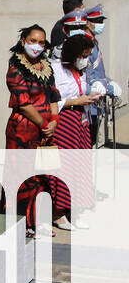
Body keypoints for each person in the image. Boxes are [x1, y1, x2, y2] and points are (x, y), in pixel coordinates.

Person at [3, 25, 60, 237]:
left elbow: (54, 96)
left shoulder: (47, 66)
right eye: (33, 40)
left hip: (45, 132)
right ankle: (22, 222)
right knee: (22, 175)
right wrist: (43, 124)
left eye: (41, 42)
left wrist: (54, 120)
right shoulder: (15, 67)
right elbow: (24, 103)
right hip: (23, 130)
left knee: (43, 175)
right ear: (24, 40)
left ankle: (40, 220)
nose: (37, 45)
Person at [51, 34, 102, 229]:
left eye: (88, 55)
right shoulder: (57, 70)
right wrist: (75, 101)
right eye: (84, 55)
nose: (86, 59)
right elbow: (52, 100)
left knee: (81, 165)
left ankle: (76, 208)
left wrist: (90, 96)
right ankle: (59, 213)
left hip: (80, 122)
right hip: (64, 122)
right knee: (65, 166)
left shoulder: (80, 72)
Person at [82, 5, 122, 144]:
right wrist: (107, 86)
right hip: (90, 100)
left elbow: (98, 70)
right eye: (96, 20)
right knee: (89, 141)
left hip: (97, 101)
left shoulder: (94, 42)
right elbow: (88, 75)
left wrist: (109, 81)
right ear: (87, 22)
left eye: (101, 20)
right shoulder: (85, 43)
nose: (100, 24)